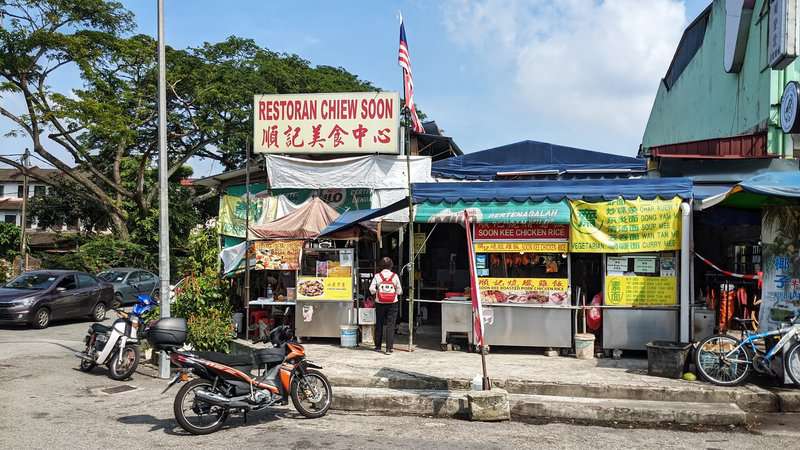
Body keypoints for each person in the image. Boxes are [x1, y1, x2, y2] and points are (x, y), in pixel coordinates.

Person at [369, 256, 403, 354]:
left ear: (380, 265)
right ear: (391, 265)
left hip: (380, 303)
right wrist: (393, 293)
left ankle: (378, 347)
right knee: (390, 325)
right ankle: (389, 349)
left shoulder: (377, 276)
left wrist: (378, 293)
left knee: (379, 324)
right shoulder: (395, 276)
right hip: (393, 303)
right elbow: (400, 291)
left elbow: (371, 289)